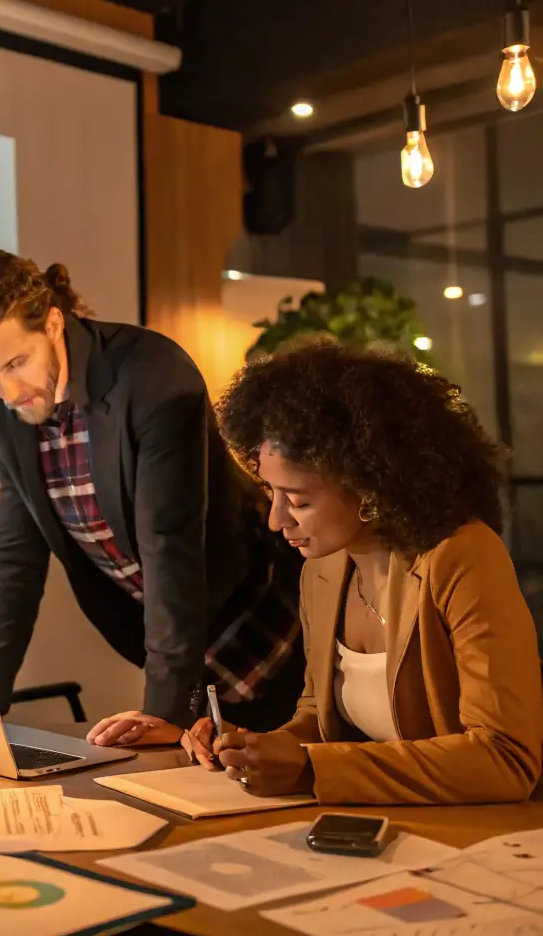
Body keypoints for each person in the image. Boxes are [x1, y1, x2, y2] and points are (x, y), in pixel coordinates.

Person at [0, 249, 305, 747]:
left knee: (283, 773)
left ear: (53, 323)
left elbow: (170, 546)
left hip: (263, 622)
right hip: (185, 647)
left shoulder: (151, 375)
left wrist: (163, 713)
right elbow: (16, 560)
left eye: (17, 362)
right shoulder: (10, 414)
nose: (10, 390)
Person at [184, 337, 542, 805]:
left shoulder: (462, 556)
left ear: (369, 487)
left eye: (298, 501)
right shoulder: (324, 569)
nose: (276, 520)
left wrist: (310, 768)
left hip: (493, 832)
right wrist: (253, 748)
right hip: (396, 823)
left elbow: (505, 758)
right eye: (271, 493)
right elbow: (321, 720)